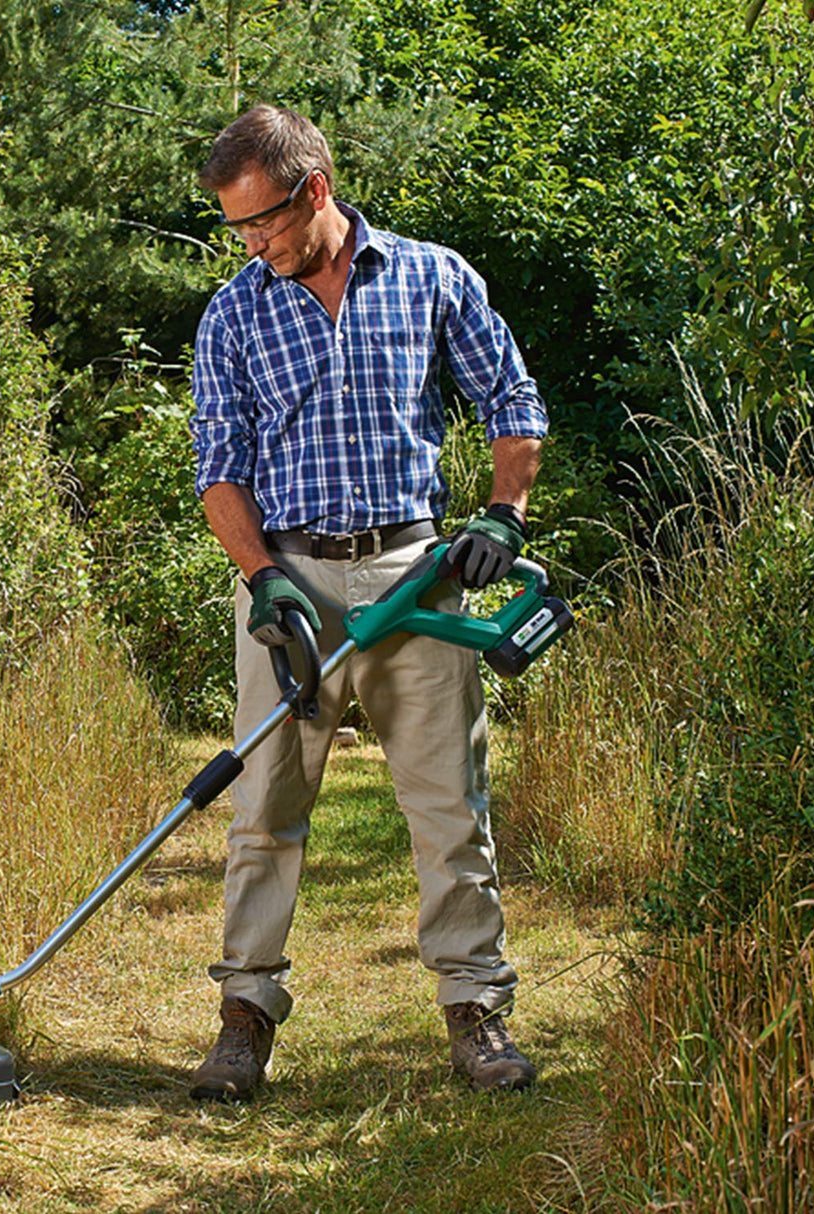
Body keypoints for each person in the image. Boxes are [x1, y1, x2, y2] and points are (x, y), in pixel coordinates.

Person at [187, 105, 548, 1102]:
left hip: (415, 578)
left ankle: (475, 1011)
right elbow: (219, 472)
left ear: (315, 190)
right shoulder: (234, 312)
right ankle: (244, 1015)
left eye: (260, 221)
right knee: (263, 810)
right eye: (235, 229)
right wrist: (264, 583)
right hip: (291, 582)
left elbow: (510, 402)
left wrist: (503, 517)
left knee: (447, 806)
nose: (250, 244)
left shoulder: (432, 278)